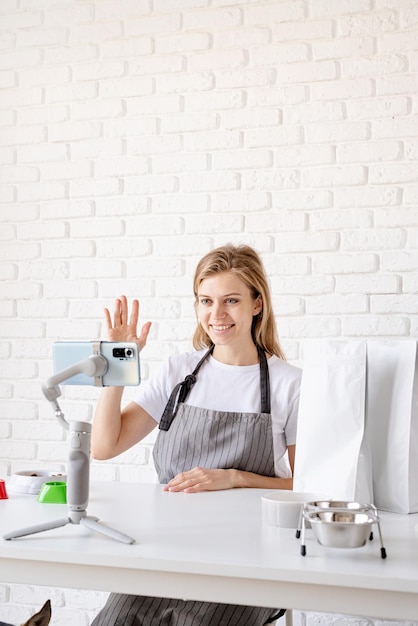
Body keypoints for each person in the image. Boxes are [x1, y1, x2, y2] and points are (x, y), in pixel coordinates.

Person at [91, 243, 302, 626]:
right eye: (206, 300)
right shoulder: (179, 372)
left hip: (248, 557)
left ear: (257, 304)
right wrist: (117, 364)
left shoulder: (288, 384)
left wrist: (235, 478)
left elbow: (311, 485)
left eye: (231, 300)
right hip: (164, 548)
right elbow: (104, 446)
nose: (216, 314)